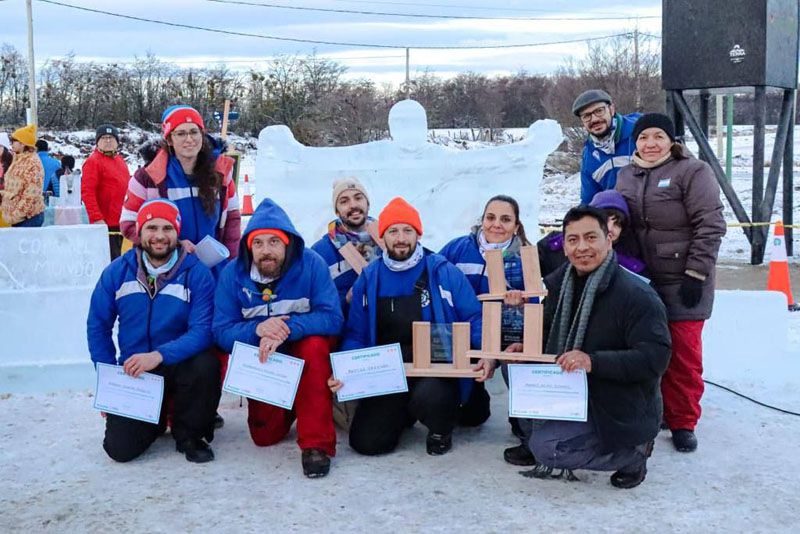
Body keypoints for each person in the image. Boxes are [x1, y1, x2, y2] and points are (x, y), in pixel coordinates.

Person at [510, 205, 670, 489]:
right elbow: (548, 330)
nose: (582, 247)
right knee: (513, 367)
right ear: (565, 246)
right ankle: (543, 434)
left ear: (609, 240)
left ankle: (634, 452)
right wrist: (527, 347)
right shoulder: (561, 284)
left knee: (549, 448)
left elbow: (655, 357)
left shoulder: (637, 295)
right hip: (574, 388)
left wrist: (593, 361)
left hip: (616, 403)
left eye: (591, 237)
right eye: (573, 240)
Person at [332, 197, 494, 457]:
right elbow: (356, 333)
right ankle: (403, 411)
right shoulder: (370, 277)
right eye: (393, 231)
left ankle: (441, 429)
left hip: (437, 366)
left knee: (430, 398)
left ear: (418, 234)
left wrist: (486, 353)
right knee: (367, 442)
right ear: (382, 236)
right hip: (390, 370)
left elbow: (474, 316)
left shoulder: (442, 271)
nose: (400, 238)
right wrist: (345, 368)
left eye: (407, 230)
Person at [616, 113, 726, 453]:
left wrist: (696, 273)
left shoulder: (692, 172)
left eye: (658, 136)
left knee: (683, 355)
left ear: (672, 140)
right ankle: (656, 410)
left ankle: (683, 421)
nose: (650, 144)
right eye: (643, 137)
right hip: (642, 279)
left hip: (684, 279)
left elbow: (710, 224)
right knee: (646, 349)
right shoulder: (626, 175)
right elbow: (618, 220)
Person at [213, 198, 344, 478]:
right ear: (249, 247)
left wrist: (287, 328)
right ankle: (299, 403)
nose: (266, 251)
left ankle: (316, 444)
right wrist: (257, 330)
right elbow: (221, 332)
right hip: (265, 355)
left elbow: (333, 318)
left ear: (288, 243)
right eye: (258, 243)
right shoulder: (232, 274)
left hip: (303, 349)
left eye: (274, 242)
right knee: (265, 437)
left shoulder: (312, 264)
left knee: (314, 346)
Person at [87, 199, 220, 464]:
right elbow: (98, 326)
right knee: (120, 450)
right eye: (152, 228)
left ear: (177, 232)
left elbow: (203, 330)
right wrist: (109, 379)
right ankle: (154, 420)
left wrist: (159, 355)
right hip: (137, 369)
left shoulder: (196, 273)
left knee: (206, 364)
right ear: (140, 231)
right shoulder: (117, 272)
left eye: (167, 228)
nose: (159, 236)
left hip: (180, 363)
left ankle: (190, 435)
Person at [439, 194, 531, 430]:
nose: (496, 225)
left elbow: (534, 310)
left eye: (505, 219)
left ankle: (523, 416)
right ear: (482, 220)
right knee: (470, 416)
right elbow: (434, 277)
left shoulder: (524, 258)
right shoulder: (458, 248)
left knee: (518, 354)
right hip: (462, 334)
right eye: (490, 218)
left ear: (516, 226)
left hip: (503, 335)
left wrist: (518, 307)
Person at [120, 105, 241, 275]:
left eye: (194, 132)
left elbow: (232, 221)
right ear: (169, 139)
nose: (189, 139)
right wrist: (173, 244)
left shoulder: (221, 173)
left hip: (212, 270)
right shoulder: (147, 178)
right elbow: (128, 224)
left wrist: (231, 266)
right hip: (167, 271)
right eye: (181, 133)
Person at [311, 177, 382, 315]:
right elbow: (313, 300)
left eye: (358, 198)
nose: (353, 205)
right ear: (337, 211)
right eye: (344, 201)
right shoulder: (320, 252)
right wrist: (346, 299)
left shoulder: (390, 238)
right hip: (349, 325)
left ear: (367, 204)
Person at [537, 189, 647, 279]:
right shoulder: (554, 246)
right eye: (605, 220)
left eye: (617, 224)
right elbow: (529, 270)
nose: (610, 228)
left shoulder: (631, 265)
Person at [572, 89, 640, 204]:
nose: (594, 119)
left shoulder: (640, 132)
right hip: (616, 213)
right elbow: (589, 200)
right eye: (586, 116)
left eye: (599, 111)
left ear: (611, 109)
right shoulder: (589, 155)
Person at [81, 124, 131, 260]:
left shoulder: (120, 160)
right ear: (97, 142)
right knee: (111, 261)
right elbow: (87, 192)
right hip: (106, 224)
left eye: (111, 138)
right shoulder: (93, 162)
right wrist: (96, 218)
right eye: (104, 138)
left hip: (122, 220)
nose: (108, 141)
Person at [0, 124, 46, 227]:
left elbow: (31, 196)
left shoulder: (32, 163)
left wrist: (16, 215)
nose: (11, 143)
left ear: (23, 143)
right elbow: (13, 189)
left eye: (14, 140)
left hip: (28, 218)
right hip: (16, 218)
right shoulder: (17, 159)